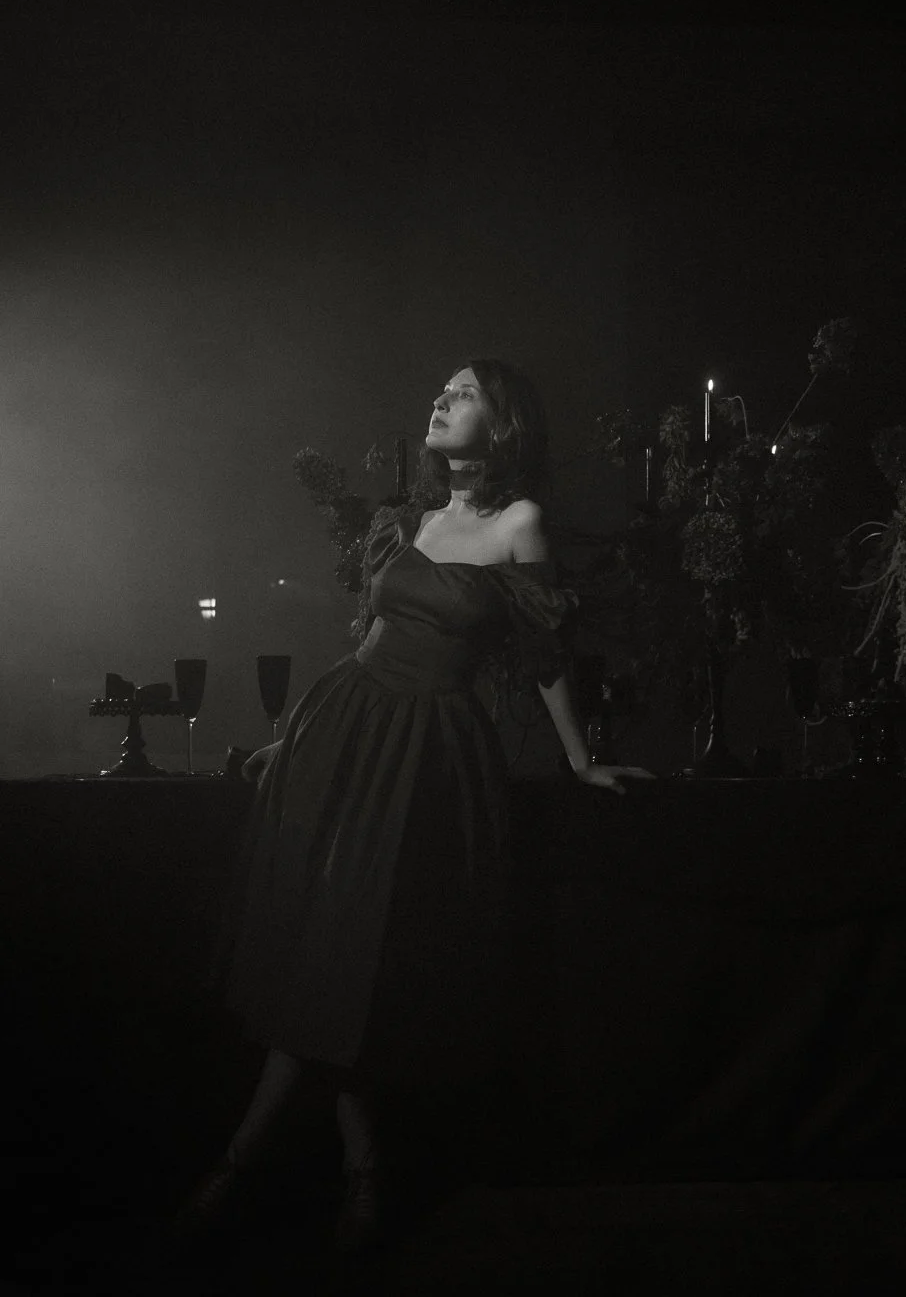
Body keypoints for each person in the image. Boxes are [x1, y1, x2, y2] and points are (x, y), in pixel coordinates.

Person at [174, 359, 654, 1253]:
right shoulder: (410, 519)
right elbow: (373, 640)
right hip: (345, 731)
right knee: (326, 958)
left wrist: (584, 761)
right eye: (442, 389)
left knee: (351, 960)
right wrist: (298, 738)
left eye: (464, 392)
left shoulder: (520, 523)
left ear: (504, 425)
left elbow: (546, 655)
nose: (441, 398)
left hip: (426, 757)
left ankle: (249, 1166)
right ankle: (358, 1175)